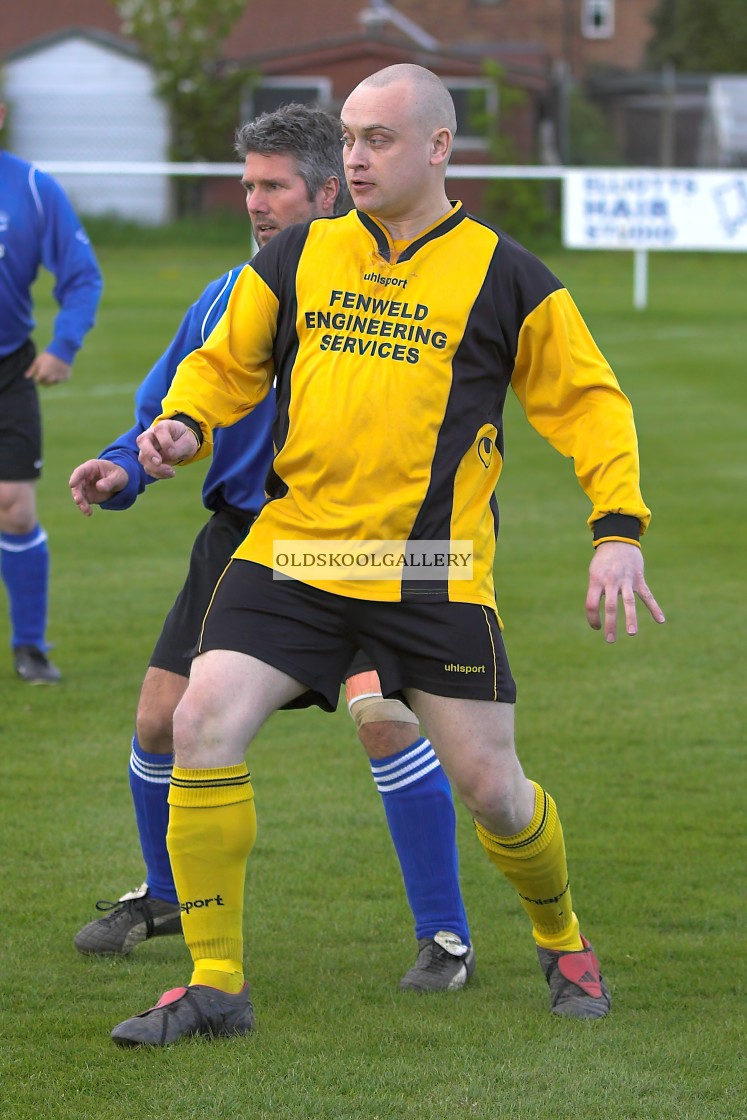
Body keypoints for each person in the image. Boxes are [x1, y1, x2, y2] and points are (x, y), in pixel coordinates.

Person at [111, 64, 666, 1047]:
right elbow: (227, 357)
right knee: (199, 719)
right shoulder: (300, 255)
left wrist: (616, 532)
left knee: (494, 790)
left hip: (431, 573)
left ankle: (561, 936)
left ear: (441, 149)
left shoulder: (508, 275)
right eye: (352, 138)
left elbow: (589, 405)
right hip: (294, 551)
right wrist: (185, 421)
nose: (356, 157)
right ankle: (215, 984)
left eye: (380, 140)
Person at [69, 104, 474, 994]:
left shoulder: (389, 299)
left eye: (273, 186)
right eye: (247, 184)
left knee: (383, 719)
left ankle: (444, 938)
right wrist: (119, 469)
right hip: (243, 540)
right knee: (161, 720)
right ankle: (169, 895)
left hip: (363, 543)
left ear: (328, 193)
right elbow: (160, 413)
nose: (253, 202)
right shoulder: (225, 295)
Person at [0, 101, 103, 684]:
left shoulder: (32, 188)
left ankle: (29, 646)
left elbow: (82, 273)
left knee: (14, 507)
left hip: (8, 369)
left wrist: (63, 345)